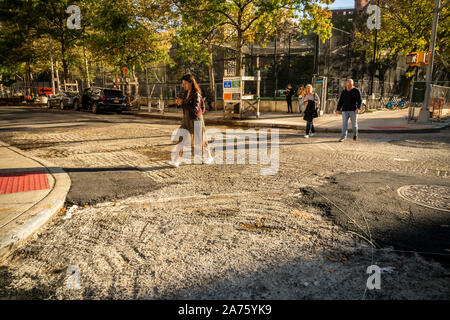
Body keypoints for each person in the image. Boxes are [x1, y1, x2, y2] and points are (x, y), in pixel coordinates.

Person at [168, 74, 214, 167]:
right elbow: (185, 106)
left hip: (196, 120)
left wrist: (183, 103)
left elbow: (195, 109)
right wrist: (179, 103)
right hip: (186, 120)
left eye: (185, 83)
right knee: (181, 138)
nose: (184, 85)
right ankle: (176, 160)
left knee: (201, 141)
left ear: (191, 83)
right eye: (183, 83)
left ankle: (209, 157)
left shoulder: (196, 94)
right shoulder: (186, 93)